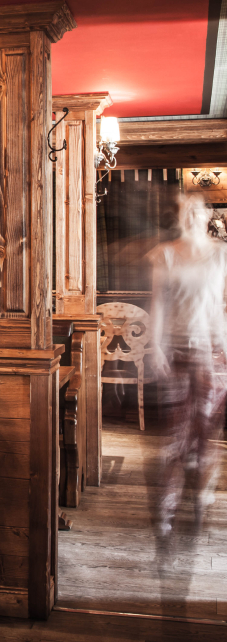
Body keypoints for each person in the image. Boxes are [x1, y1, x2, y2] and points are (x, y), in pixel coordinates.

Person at [149, 194, 227, 535]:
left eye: (198, 208)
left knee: (206, 433)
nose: (192, 214)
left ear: (208, 214)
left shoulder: (221, 254)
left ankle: (200, 499)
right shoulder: (165, 255)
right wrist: (154, 347)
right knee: (176, 436)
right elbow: (159, 307)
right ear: (179, 215)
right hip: (178, 353)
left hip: (213, 354)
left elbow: (220, 308)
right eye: (185, 209)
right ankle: (166, 511)